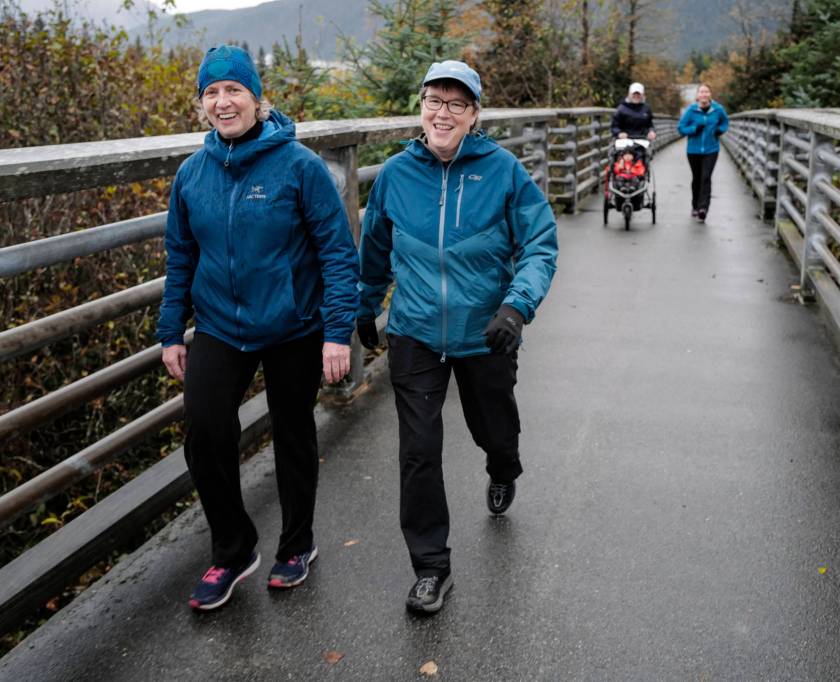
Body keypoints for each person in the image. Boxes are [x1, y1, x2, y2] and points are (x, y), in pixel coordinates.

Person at [157, 45, 360, 611]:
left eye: (234, 91)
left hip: (292, 325)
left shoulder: (299, 166)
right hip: (220, 325)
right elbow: (180, 256)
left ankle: (296, 545)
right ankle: (233, 549)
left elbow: (338, 253)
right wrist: (171, 330)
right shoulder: (192, 175)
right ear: (202, 105)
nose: (223, 102)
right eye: (211, 93)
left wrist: (337, 332)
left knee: (293, 431)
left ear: (256, 98)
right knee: (204, 430)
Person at [357, 60, 558, 614]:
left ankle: (502, 466)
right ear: (420, 107)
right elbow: (374, 246)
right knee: (419, 451)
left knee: (493, 425)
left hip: (485, 332)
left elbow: (540, 243)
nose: (442, 113)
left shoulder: (503, 171)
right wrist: (365, 304)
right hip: (416, 331)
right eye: (433, 101)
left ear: (473, 114)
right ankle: (431, 568)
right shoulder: (397, 174)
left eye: (455, 103)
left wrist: (516, 308)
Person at [677, 83, 729, 222]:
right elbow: (681, 128)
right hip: (693, 150)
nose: (704, 94)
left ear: (710, 94)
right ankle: (695, 205)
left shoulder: (718, 109)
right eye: (701, 92)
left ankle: (703, 208)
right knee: (697, 178)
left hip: (711, 149)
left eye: (707, 92)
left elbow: (725, 123)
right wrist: (694, 128)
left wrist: (720, 130)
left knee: (706, 177)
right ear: (698, 95)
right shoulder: (691, 110)